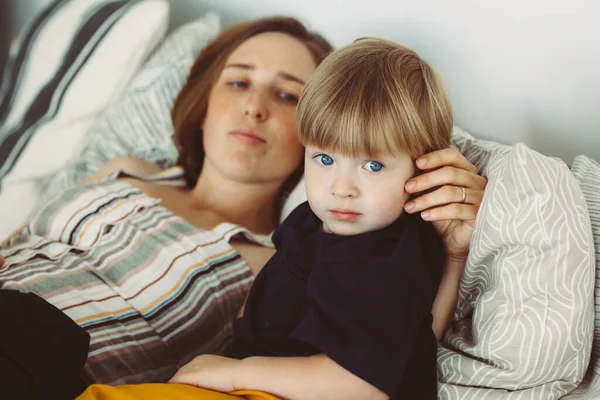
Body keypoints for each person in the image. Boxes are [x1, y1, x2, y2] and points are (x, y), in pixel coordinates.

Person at [0, 16, 486, 389]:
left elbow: (392, 349)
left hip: (37, 357)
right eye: (238, 82)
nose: (255, 106)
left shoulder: (278, 260)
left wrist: (454, 254)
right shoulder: (126, 169)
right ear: (203, 104)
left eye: (286, 94)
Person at [168, 37, 457, 400]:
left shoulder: (386, 260)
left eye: (373, 165)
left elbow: (362, 385)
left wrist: (238, 372)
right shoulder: (314, 220)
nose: (342, 187)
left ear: (423, 167)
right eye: (324, 159)